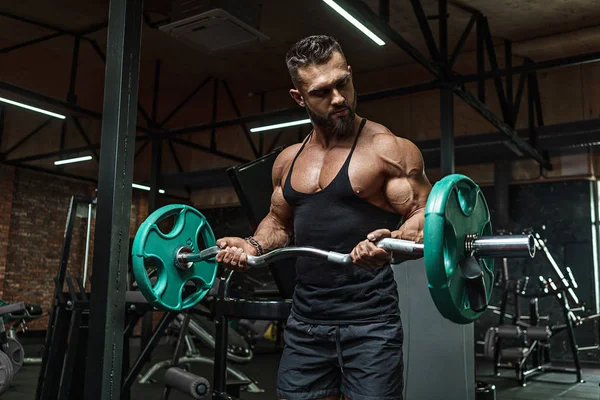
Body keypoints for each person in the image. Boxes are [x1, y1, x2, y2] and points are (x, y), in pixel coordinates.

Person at [216, 35, 432, 400]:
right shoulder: (288, 161)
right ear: (299, 98)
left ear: (349, 73)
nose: (337, 99)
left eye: (342, 83)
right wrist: (252, 245)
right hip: (305, 322)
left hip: (370, 323)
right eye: (321, 92)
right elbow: (279, 223)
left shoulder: (388, 149)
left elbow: (425, 214)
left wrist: (392, 244)